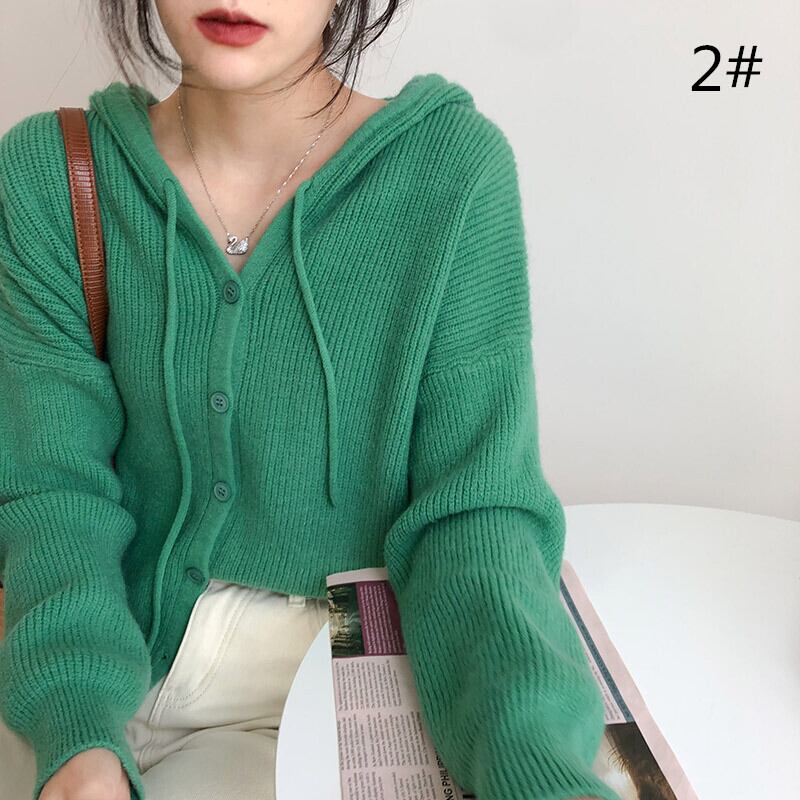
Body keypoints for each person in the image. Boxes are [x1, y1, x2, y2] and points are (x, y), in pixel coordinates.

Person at [0, 2, 621, 800]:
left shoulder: (450, 174)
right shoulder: (53, 176)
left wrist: (534, 766)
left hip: (330, 690)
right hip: (93, 660)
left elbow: (474, 516)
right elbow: (54, 493)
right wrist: (75, 729)